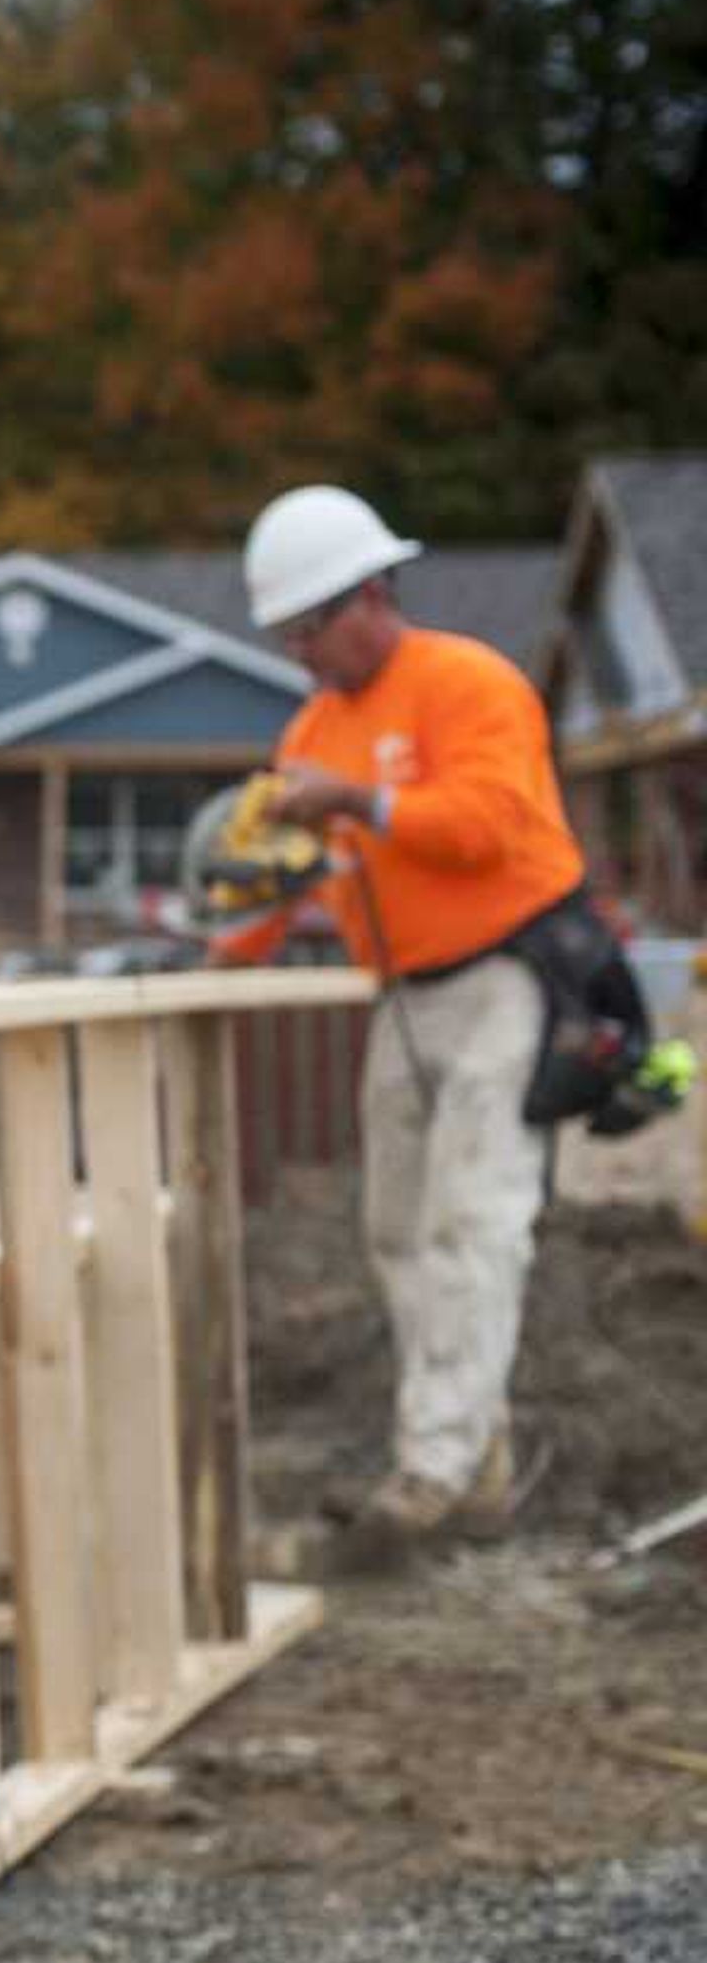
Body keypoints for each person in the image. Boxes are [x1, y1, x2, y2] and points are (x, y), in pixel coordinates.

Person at [238, 481, 587, 1543]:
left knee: (473, 1221)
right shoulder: (315, 725)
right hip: (402, 991)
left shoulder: (468, 684)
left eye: (309, 629)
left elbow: (485, 825)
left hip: (504, 977)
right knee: (395, 1224)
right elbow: (289, 869)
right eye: (287, 635)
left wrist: (354, 802)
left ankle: (431, 1471)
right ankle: (470, 1451)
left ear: (370, 595)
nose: (301, 652)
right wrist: (225, 938)